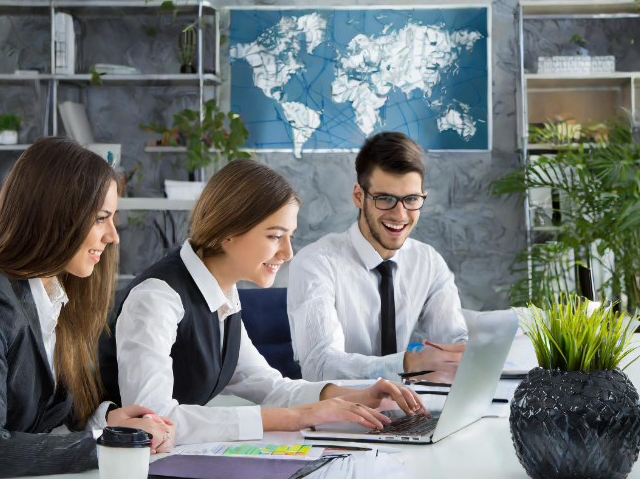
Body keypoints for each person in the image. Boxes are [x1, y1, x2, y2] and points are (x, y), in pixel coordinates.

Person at [99, 158, 428, 446]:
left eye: (290, 236)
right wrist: (292, 418)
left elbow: (271, 388)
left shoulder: (223, 294)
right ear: (228, 230)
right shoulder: (157, 298)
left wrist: (355, 395)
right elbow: (152, 423)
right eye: (274, 236)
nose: (288, 254)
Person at [0, 137, 174, 479]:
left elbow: (41, 419)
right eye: (101, 218)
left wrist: (106, 422)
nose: (113, 236)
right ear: (55, 216)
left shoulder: (54, 297)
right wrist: (111, 443)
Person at [287, 132, 469, 383]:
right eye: (385, 199)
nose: (400, 214)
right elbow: (319, 366)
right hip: (342, 415)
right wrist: (407, 363)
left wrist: (469, 354)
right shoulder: (315, 263)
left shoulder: (428, 262)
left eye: (412, 199)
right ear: (359, 196)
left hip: (411, 413)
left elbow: (453, 341)